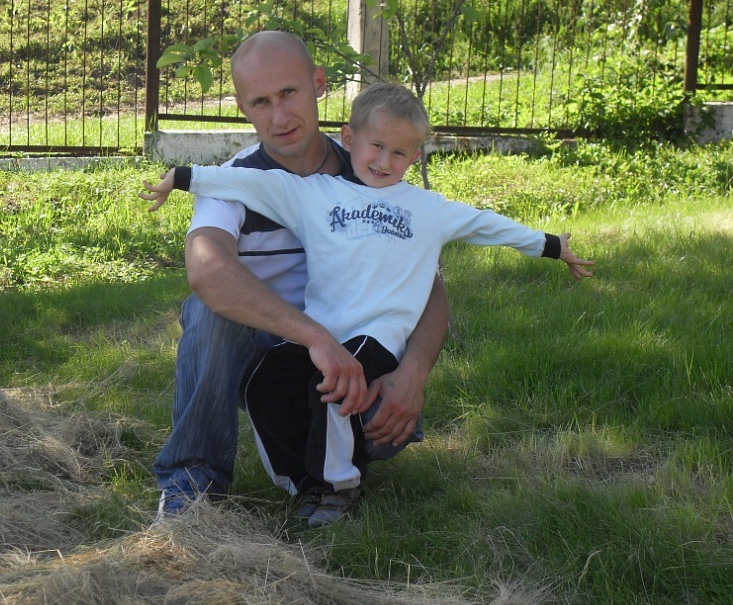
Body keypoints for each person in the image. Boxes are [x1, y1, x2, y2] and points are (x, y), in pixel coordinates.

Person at [141, 82, 595, 527]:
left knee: (334, 388)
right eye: (376, 146)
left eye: (399, 153)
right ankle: (303, 480)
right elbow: (253, 184)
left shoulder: (428, 208)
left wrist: (553, 246)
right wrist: (182, 178)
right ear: (349, 138)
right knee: (264, 382)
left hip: (377, 336)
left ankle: (339, 486)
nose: (384, 161)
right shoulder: (315, 193)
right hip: (324, 331)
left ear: (414, 157)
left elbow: (489, 225)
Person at [142, 31, 450, 519]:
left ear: (319, 84)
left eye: (289, 93)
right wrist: (314, 338)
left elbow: (427, 286)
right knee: (209, 311)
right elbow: (206, 269)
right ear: (242, 108)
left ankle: (327, 465)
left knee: (383, 432)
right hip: (267, 355)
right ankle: (191, 483)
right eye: (261, 102)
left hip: (351, 354)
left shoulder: (371, 172)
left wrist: (412, 376)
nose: (280, 117)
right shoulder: (234, 182)